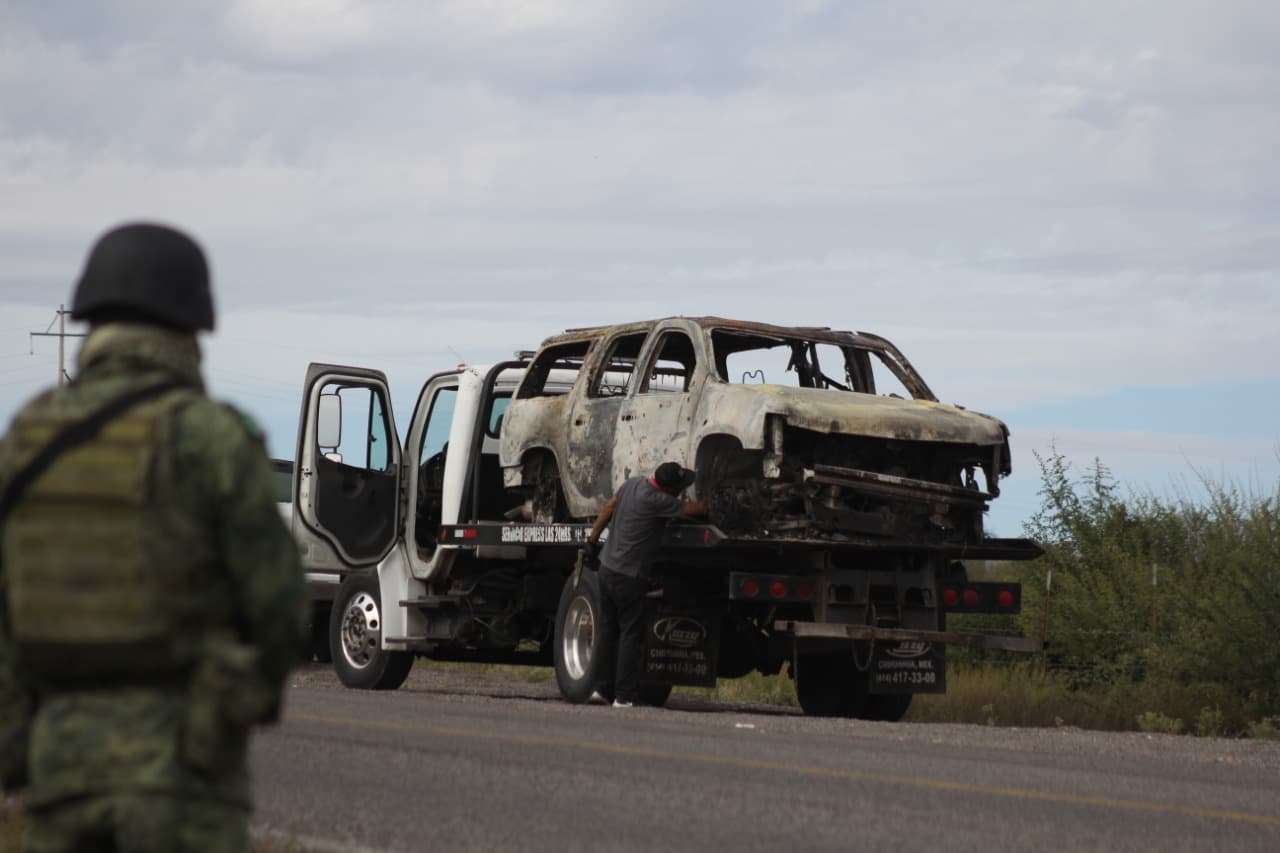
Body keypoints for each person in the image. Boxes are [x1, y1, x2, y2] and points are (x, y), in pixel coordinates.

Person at [0, 222, 308, 852]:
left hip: (61, 772)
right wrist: (231, 705)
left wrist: (17, 746)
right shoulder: (212, 438)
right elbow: (279, 607)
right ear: (191, 324)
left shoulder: (27, 441)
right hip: (184, 775)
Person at [586, 461, 707, 708]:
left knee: (608, 632)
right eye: (680, 487)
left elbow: (609, 507)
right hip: (629, 578)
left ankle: (600, 689)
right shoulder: (660, 502)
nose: (682, 491)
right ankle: (624, 696)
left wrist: (592, 540)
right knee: (631, 635)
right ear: (670, 489)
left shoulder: (632, 484)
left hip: (606, 568)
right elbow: (695, 510)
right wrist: (710, 504)